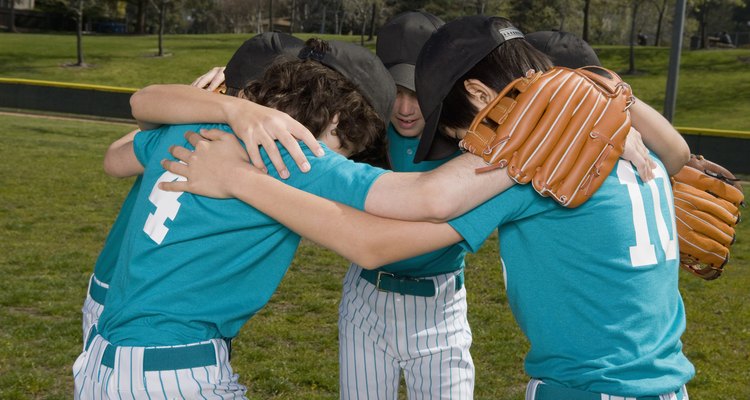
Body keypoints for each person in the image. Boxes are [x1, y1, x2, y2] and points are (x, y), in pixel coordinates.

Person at [159, 16, 693, 399]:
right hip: (663, 381)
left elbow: (392, 225)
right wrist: (611, 98)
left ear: (484, 99)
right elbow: (679, 155)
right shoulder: (615, 134)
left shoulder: (532, 160)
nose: (469, 149)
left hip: (588, 387)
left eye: (465, 132)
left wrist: (254, 169)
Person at [73, 38, 397, 398]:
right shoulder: (286, 156)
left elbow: (118, 151)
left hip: (115, 325)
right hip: (166, 352)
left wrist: (201, 107)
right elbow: (386, 226)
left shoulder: (188, 128)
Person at [79, 32, 311, 346]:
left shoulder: (190, 126)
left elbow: (115, 157)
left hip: (126, 290)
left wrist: (193, 105)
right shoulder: (269, 151)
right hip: (149, 305)